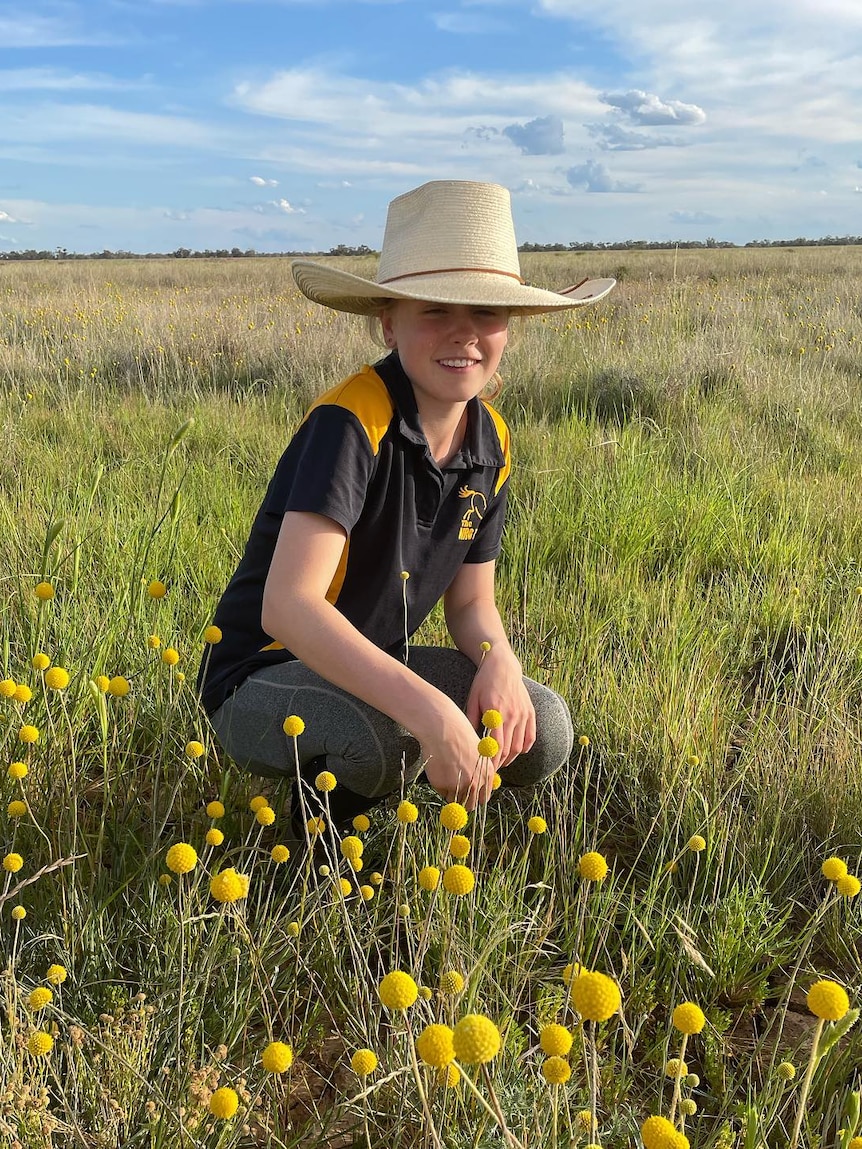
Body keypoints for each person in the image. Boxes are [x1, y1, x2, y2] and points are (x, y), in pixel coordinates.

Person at [198, 179, 614, 833]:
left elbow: (472, 605)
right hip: (262, 673)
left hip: (372, 664)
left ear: (511, 326)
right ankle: (311, 864)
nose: (464, 334)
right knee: (390, 736)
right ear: (388, 322)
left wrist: (500, 660)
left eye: (485, 312)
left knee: (544, 729)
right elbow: (289, 607)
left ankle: (365, 813)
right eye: (435, 310)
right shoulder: (351, 420)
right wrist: (429, 710)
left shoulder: (492, 440)